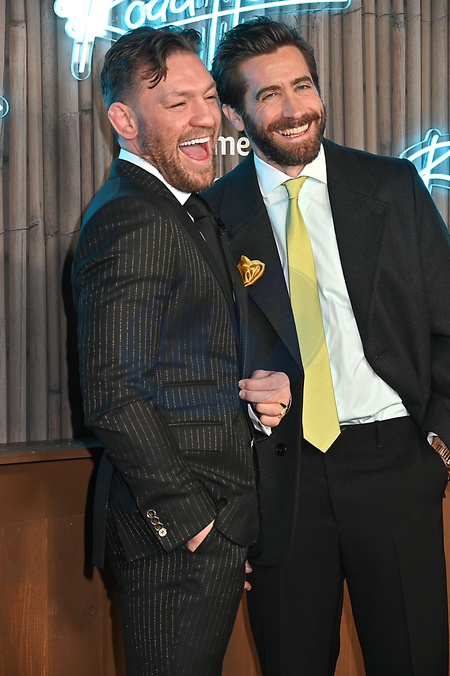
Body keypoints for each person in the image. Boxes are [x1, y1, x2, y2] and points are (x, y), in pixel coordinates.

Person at [204, 17, 450, 676]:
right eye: (269, 95)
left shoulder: (393, 187)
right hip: (280, 483)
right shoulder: (212, 219)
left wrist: (438, 445)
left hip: (394, 466)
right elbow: (196, 362)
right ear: (234, 114)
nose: (294, 109)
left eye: (302, 86)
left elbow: (447, 324)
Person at [72, 26, 290, 676]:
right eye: (177, 102)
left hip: (207, 529)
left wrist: (260, 393)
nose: (206, 117)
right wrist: (197, 525)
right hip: (178, 538)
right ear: (124, 121)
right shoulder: (132, 218)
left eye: (208, 97)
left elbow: (191, 364)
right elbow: (113, 393)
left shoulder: (179, 209)